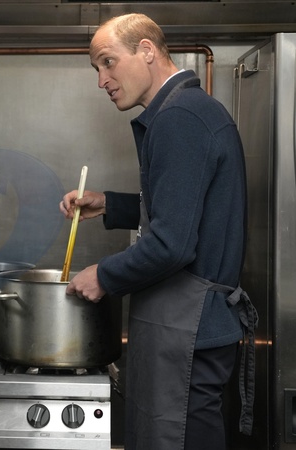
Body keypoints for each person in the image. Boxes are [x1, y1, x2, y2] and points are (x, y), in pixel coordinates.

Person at [59, 13, 257, 450]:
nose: (101, 80)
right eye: (96, 68)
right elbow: (187, 211)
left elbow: (173, 244)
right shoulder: (189, 110)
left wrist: (103, 275)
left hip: (189, 333)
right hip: (192, 331)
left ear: (146, 50)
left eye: (108, 62)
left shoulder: (179, 118)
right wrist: (110, 204)